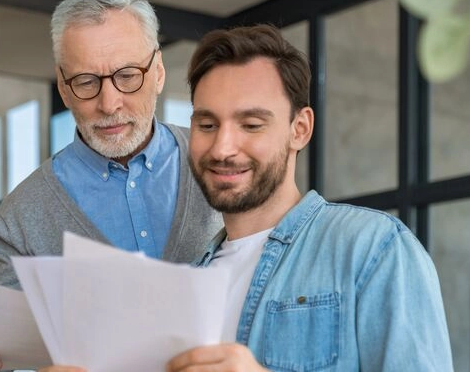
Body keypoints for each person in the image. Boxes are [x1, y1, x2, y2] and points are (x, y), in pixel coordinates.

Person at [0, 0, 222, 372]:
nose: (109, 103)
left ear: (158, 72)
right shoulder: (20, 220)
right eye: (86, 81)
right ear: (62, 86)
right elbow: (9, 359)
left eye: (127, 76)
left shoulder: (223, 163)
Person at [163, 24, 453, 370]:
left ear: (299, 129)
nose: (223, 148)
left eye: (251, 125)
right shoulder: (190, 284)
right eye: (207, 125)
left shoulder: (373, 248)